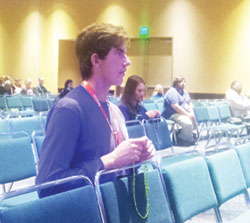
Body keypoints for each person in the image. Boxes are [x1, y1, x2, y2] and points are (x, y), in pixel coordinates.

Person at [35, 23, 155, 197]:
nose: (127, 61)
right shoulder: (69, 110)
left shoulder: (115, 110)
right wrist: (109, 161)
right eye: (119, 53)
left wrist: (135, 157)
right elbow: (47, 185)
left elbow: (116, 170)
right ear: (96, 60)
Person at [162, 76, 196, 146]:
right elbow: (176, 107)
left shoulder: (185, 92)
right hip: (172, 114)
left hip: (182, 113)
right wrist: (188, 115)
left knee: (194, 121)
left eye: (184, 81)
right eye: (181, 82)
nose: (183, 83)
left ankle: (186, 135)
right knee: (188, 122)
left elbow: (190, 103)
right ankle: (181, 138)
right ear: (176, 83)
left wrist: (191, 113)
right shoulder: (172, 92)